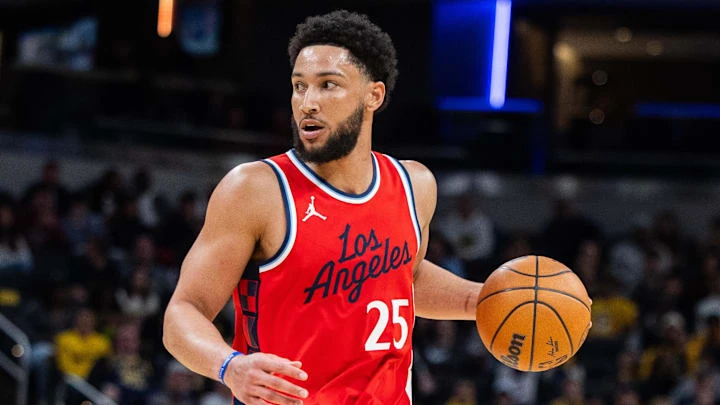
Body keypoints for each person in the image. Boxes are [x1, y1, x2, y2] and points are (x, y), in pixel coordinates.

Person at [163, 10, 483, 405]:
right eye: (299, 87)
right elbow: (183, 312)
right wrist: (229, 365)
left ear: (374, 95)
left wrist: (482, 301)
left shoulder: (414, 185)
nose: (308, 103)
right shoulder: (255, 189)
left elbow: (402, 276)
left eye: (328, 85)